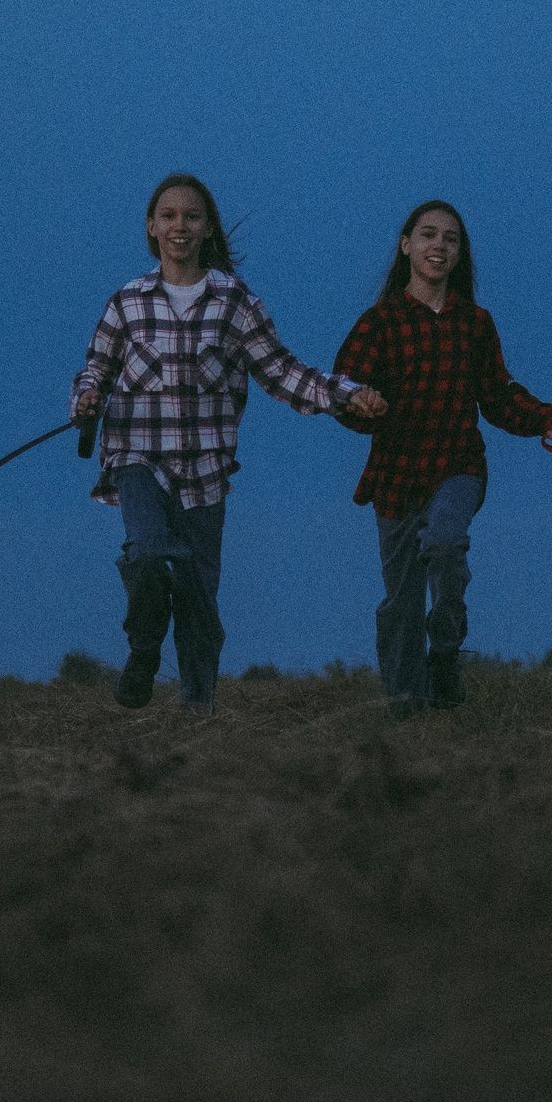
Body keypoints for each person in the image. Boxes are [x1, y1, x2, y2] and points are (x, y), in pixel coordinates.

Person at [73, 174, 386, 712]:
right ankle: (144, 651)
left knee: (198, 596)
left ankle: (198, 707)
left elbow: (280, 371)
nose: (179, 227)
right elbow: (94, 371)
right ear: (151, 228)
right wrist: (85, 401)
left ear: (208, 227)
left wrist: (345, 395)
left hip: (205, 474)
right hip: (136, 459)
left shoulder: (235, 302)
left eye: (191, 217)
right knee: (149, 553)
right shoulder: (126, 303)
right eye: (168, 216)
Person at [334, 199, 552, 716]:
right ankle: (406, 708)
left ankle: (445, 649)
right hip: (395, 477)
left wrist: (550, 419)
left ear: (459, 254)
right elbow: (344, 390)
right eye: (428, 235)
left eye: (450, 239)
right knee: (400, 602)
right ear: (406, 246)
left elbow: (497, 395)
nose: (439, 246)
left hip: (457, 467)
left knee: (446, 544)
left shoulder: (474, 323)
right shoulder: (378, 323)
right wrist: (361, 402)